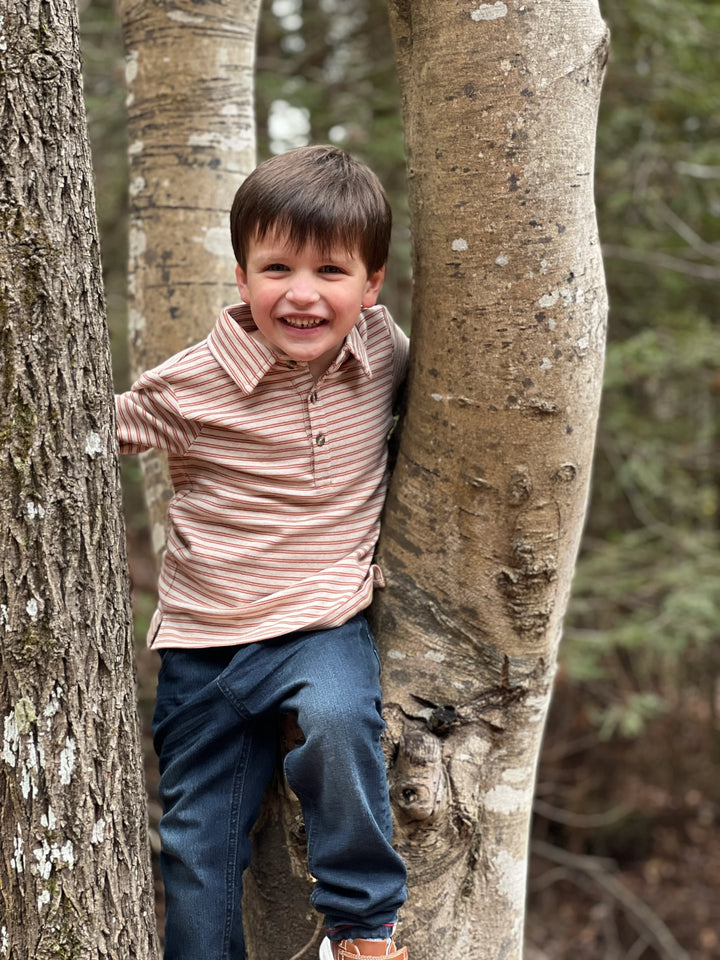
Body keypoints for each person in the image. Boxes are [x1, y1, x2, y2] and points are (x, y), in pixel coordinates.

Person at [115, 145, 410, 960]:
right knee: (196, 842)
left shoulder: (384, 353)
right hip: (204, 648)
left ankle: (362, 928)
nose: (304, 293)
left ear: (372, 286)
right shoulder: (192, 385)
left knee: (337, 719)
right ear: (242, 279)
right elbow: (89, 433)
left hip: (321, 627)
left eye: (333, 271)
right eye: (277, 267)